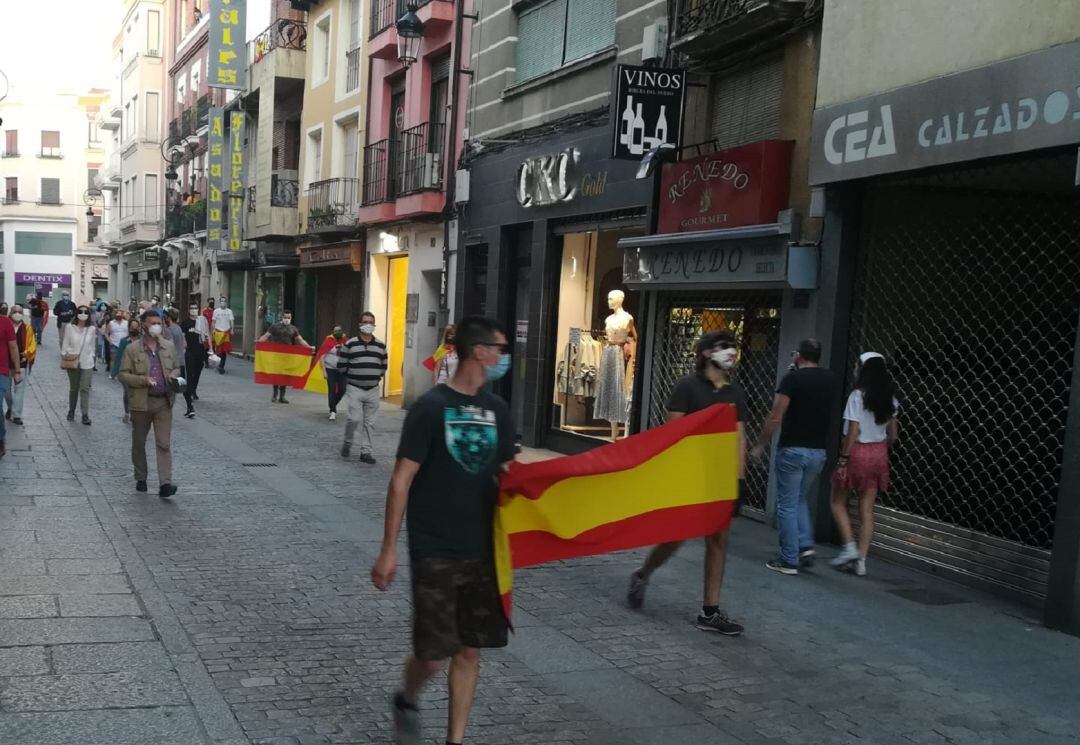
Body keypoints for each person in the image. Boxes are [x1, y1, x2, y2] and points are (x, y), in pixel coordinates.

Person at [371, 315, 515, 745]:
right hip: (434, 547)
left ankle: (455, 740)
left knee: (470, 650)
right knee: (433, 656)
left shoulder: (498, 410)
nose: (504, 358)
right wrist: (388, 550)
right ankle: (407, 699)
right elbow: (401, 480)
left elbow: (508, 474)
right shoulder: (430, 408)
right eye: (500, 349)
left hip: (483, 548)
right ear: (479, 352)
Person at [627, 331, 747, 635]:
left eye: (733, 347)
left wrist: (738, 479)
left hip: (720, 479)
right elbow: (674, 432)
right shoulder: (687, 386)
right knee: (676, 537)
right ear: (706, 353)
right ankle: (644, 573)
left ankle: (710, 611)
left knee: (718, 541)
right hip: (691, 475)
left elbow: (739, 438)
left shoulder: (735, 392)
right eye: (724, 347)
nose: (731, 352)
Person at [750, 338, 840, 575]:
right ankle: (805, 545)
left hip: (792, 449)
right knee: (799, 498)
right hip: (818, 451)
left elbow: (776, 415)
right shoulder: (830, 379)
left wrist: (760, 444)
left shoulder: (792, 379)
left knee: (787, 505)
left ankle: (788, 558)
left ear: (799, 355)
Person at [829, 353, 899, 577]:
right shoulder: (891, 399)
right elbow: (894, 435)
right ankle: (861, 561)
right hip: (879, 454)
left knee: (838, 502)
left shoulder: (857, 397)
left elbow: (853, 432)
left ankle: (848, 547)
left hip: (857, 452)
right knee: (867, 509)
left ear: (863, 370)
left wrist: (843, 458)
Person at [118, 309, 180, 498]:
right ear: (143, 325)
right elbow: (123, 374)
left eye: (158, 322)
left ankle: (165, 483)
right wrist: (142, 380)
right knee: (139, 442)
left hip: (164, 401)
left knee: (164, 444)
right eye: (152, 322)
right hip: (141, 403)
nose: (156, 326)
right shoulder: (132, 349)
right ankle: (141, 477)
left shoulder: (169, 347)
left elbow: (177, 367)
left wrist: (173, 375)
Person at [339, 312, 387, 463]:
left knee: (370, 422)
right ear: (359, 325)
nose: (368, 325)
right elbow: (342, 365)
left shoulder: (381, 345)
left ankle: (365, 452)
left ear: (374, 325)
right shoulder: (350, 344)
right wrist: (354, 375)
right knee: (353, 419)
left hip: (373, 389)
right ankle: (348, 442)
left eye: (371, 322)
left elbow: (384, 366)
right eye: (365, 322)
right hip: (355, 388)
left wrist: (373, 377)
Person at [258, 309, 312, 403]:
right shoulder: (275, 327)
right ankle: (275, 394)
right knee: (276, 374)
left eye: (289, 317)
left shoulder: (293, 329)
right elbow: (266, 336)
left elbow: (300, 340)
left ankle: (282, 396)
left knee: (284, 375)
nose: (287, 319)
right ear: (282, 317)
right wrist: (258, 343)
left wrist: (308, 347)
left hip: (288, 355)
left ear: (291, 318)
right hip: (276, 354)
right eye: (285, 317)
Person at [60, 305, 98, 425]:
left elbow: (92, 345)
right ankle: (71, 410)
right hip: (73, 361)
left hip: (87, 362)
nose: (83, 314)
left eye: (85, 312)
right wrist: (64, 355)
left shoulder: (91, 329)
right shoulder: (69, 327)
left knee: (85, 388)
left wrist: (92, 356)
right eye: (80, 312)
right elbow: (65, 343)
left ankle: (85, 414)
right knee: (74, 388)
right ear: (76, 313)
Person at [5, 305, 36, 427]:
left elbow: (32, 345)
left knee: (20, 390)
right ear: (10, 313)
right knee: (6, 390)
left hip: (22, 363)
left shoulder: (27, 328)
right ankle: (11, 407)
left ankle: (16, 414)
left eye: (20, 312)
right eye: (15, 312)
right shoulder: (5, 327)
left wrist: (25, 354)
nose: (17, 314)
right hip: (6, 364)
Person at [180, 302, 210, 418]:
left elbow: (207, 335)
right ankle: (191, 390)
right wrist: (184, 342)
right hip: (190, 352)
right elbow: (181, 334)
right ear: (189, 310)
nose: (194, 310)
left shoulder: (201, 322)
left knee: (198, 372)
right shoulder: (186, 323)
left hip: (200, 351)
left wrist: (210, 348)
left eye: (195, 308)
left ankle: (194, 389)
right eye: (192, 308)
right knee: (190, 372)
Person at [112, 318, 143, 424]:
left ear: (139, 328)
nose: (134, 328)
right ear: (129, 328)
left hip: (139, 371)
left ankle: (136, 412)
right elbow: (119, 356)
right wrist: (115, 372)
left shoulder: (143, 341)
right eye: (132, 327)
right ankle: (127, 412)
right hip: (126, 371)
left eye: (136, 326)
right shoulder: (124, 341)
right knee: (128, 392)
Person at [0, 309, 21, 457]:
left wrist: (18, 371)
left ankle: (0, 439)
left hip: (1, 371)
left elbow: (13, 348)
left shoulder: (5, 322)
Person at [323, 325, 347, 420]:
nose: (338, 332)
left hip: (342, 370)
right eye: (335, 331)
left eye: (339, 330)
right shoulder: (328, 341)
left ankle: (333, 404)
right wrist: (324, 371)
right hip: (330, 369)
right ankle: (333, 411)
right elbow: (322, 356)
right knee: (332, 390)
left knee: (342, 390)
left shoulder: (345, 341)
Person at [211, 296, 234, 374]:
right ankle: (218, 363)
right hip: (218, 332)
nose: (223, 302)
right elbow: (213, 321)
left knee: (224, 351)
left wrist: (232, 329)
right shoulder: (216, 311)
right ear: (220, 302)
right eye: (221, 301)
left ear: (226, 302)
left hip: (226, 332)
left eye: (224, 301)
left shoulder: (229, 311)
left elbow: (231, 321)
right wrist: (213, 330)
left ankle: (221, 366)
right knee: (218, 350)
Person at [107, 310, 129, 379]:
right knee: (113, 359)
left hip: (125, 343)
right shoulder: (111, 323)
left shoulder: (127, 323)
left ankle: (120, 373)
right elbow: (106, 333)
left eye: (120, 314)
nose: (119, 315)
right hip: (114, 342)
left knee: (123, 359)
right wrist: (109, 340)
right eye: (117, 314)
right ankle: (112, 373)